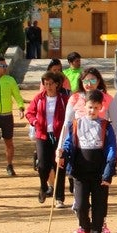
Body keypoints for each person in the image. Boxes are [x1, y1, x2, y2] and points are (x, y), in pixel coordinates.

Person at [59, 90, 117, 233]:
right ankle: (85, 231)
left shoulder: (106, 126)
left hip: (99, 173)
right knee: (81, 206)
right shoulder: (76, 124)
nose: (92, 110)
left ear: (101, 107)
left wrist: (108, 171)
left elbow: (111, 149)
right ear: (84, 106)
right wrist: (63, 153)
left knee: (99, 208)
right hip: (80, 172)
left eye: (96, 107)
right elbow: (69, 144)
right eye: (90, 107)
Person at [24, 70, 69, 205]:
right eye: (46, 84)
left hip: (59, 135)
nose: (48, 86)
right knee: (43, 165)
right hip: (42, 135)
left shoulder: (63, 99)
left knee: (59, 165)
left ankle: (59, 197)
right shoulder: (39, 98)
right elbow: (29, 112)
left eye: (51, 84)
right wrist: (35, 121)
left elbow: (70, 114)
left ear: (56, 84)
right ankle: (43, 186)